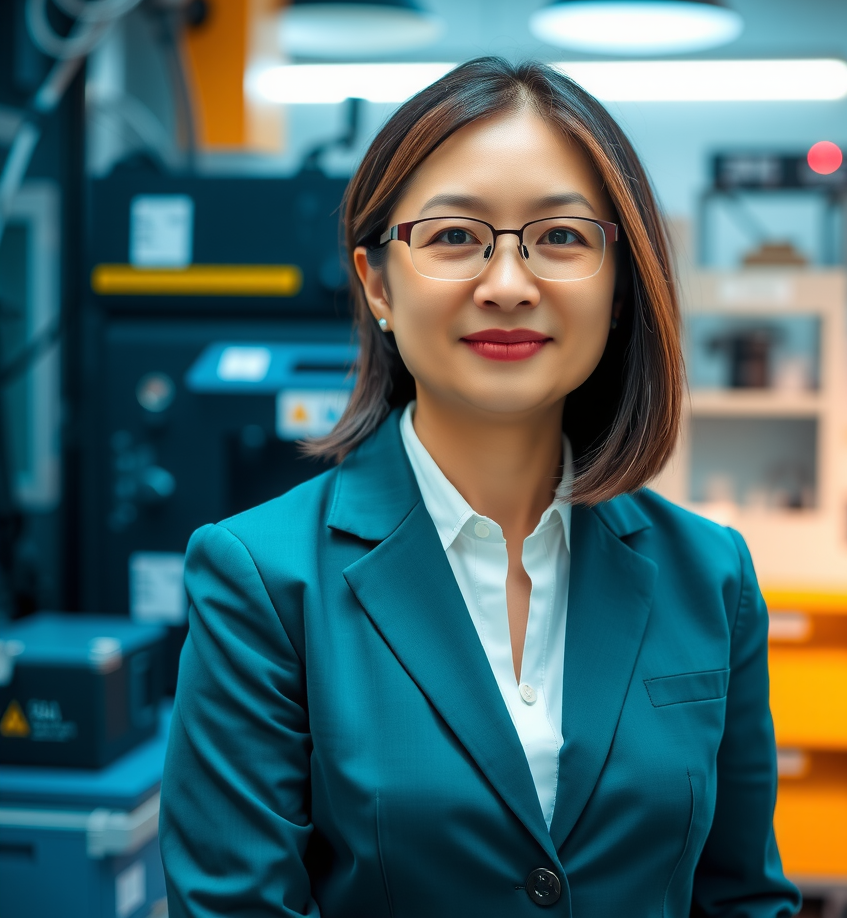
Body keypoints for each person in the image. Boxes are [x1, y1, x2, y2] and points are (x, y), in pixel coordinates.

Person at [159, 58, 801, 918]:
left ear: (619, 284)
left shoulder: (711, 575)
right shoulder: (262, 582)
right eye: (455, 236)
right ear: (378, 283)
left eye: (562, 238)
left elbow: (744, 898)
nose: (507, 285)